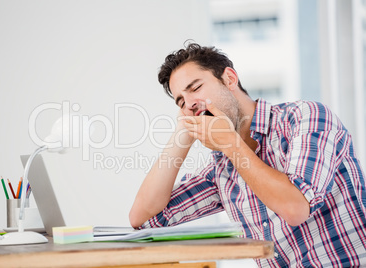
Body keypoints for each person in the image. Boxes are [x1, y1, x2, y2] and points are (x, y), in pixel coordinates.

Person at [129, 43, 366, 267]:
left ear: (229, 79)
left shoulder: (305, 117)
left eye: (196, 88)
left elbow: (296, 208)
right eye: (180, 101)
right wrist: (184, 132)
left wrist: (231, 144)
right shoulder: (222, 170)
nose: (189, 103)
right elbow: (144, 219)